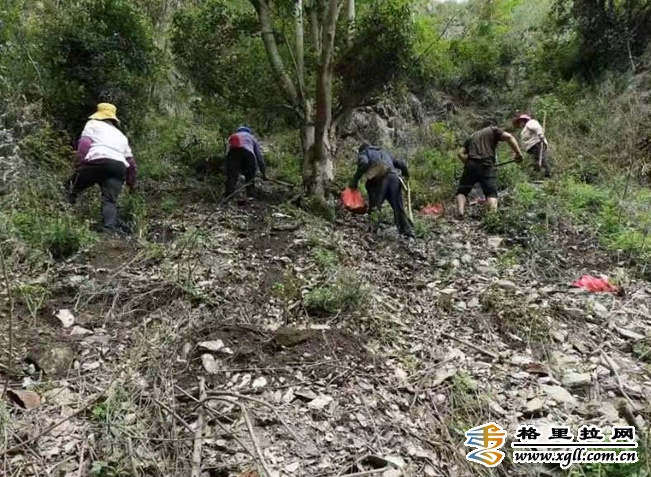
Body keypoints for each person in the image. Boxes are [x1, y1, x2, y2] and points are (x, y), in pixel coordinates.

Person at [66, 103, 136, 233]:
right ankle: (109, 229)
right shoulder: (121, 136)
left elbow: (84, 144)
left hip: (98, 162)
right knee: (110, 201)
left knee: (71, 187)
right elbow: (131, 163)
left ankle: (64, 216)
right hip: (118, 167)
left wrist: (79, 163)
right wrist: (131, 184)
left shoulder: (93, 124)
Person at [456, 120, 523, 218]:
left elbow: (460, 153)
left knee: (462, 190)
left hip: (471, 164)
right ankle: (492, 217)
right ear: (492, 125)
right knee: (491, 192)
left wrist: (468, 163)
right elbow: (509, 137)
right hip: (487, 164)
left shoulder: (471, 136)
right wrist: (518, 153)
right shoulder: (493, 129)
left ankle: (460, 212)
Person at [350, 143, 414, 239]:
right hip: (394, 179)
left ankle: (372, 231)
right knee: (398, 207)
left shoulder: (364, 152)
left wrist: (355, 180)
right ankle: (408, 234)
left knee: (375, 207)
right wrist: (406, 175)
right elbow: (402, 164)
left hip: (378, 181)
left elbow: (363, 163)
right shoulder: (384, 152)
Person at [225, 126, 267, 198]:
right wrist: (263, 172)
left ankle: (229, 194)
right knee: (250, 175)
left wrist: (228, 166)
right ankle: (250, 192)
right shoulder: (251, 137)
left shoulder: (232, 136)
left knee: (232, 176)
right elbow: (259, 156)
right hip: (248, 154)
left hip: (233, 154)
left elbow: (227, 153)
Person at [514, 114, 552, 178]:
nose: (520, 124)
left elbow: (537, 128)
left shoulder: (530, 123)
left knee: (541, 160)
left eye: (520, 122)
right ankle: (537, 175)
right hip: (532, 147)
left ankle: (548, 175)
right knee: (536, 161)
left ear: (524, 121)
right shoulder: (525, 129)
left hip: (536, 144)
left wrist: (540, 135)